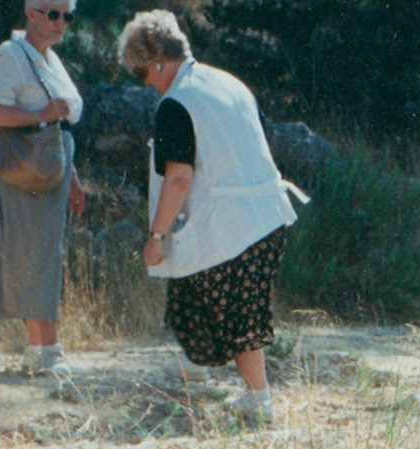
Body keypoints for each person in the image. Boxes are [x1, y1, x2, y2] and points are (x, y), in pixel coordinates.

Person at [117, 10, 304, 423]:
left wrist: (156, 236)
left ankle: (259, 401)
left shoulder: (174, 104)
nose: (143, 81)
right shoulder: (226, 81)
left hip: (233, 226)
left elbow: (179, 179)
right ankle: (195, 366)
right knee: (192, 291)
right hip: (267, 216)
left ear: (159, 62)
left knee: (240, 316)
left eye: (141, 71)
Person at [0, 1, 85, 378]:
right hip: (21, 168)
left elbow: (62, 123)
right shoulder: (11, 54)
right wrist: (40, 115)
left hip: (49, 169)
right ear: (31, 12)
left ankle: (41, 349)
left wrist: (70, 174)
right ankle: (46, 350)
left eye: (67, 16)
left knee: (43, 253)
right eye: (52, 14)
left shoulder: (51, 60)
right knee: (31, 254)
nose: (60, 24)